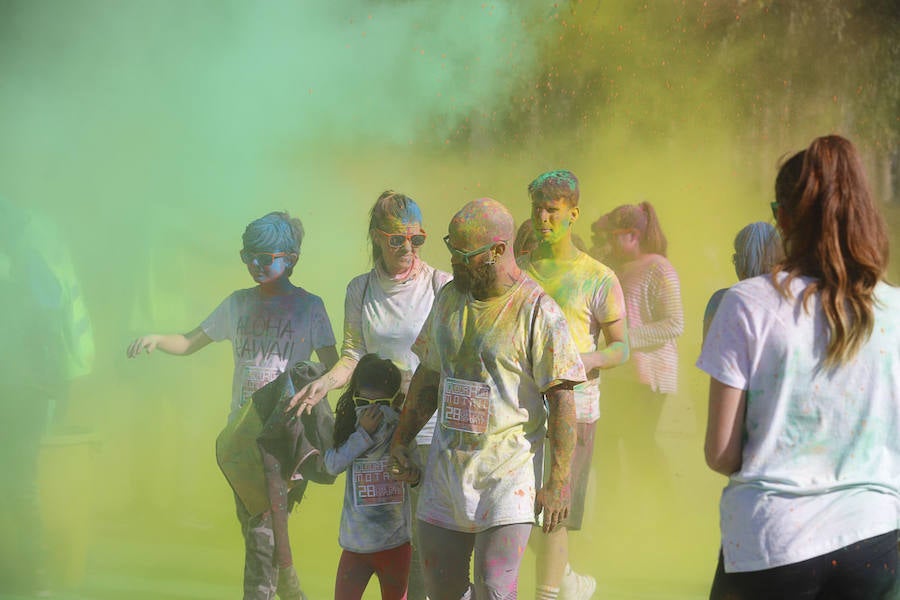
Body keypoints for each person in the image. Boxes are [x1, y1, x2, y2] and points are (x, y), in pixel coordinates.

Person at [699, 135, 900, 599]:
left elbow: (721, 453)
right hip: (875, 541)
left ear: (784, 219)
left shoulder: (746, 304)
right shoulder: (889, 309)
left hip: (771, 544)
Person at [126, 211, 338, 600]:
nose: (255, 265)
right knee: (258, 528)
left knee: (265, 531)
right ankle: (286, 593)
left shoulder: (309, 307)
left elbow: (331, 363)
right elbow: (191, 342)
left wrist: (312, 386)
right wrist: (157, 339)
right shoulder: (238, 304)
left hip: (286, 437)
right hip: (243, 436)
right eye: (248, 257)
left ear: (290, 258)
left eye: (265, 258)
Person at [388, 198, 586, 600]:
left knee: (495, 589)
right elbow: (429, 375)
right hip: (447, 472)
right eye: (451, 251)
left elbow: (563, 401)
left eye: (464, 256)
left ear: (498, 250)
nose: (454, 263)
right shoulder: (449, 299)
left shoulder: (536, 310)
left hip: (507, 477)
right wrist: (400, 440)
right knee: (442, 590)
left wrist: (559, 481)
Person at [287, 190, 450, 600]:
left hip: (429, 430)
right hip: (377, 432)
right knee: (387, 534)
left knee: (425, 538)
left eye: (417, 239)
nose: (408, 249)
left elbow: (454, 358)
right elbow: (352, 355)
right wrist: (324, 382)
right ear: (377, 237)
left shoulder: (440, 285)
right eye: (397, 239)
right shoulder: (360, 289)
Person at [520, 170, 629, 600]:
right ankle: (566, 580)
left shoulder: (598, 277)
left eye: (553, 209)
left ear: (573, 214)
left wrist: (581, 361)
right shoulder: (520, 274)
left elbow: (621, 348)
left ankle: (552, 590)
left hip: (578, 410)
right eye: (537, 209)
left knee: (555, 512)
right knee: (515, 507)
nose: (543, 218)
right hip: (523, 409)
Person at [0, 197, 95, 597]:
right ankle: (28, 576)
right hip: (28, 387)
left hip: (21, 390)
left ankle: (31, 579)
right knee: (18, 483)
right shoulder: (31, 264)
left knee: (19, 483)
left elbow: (43, 326)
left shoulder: (25, 268)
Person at [589, 201, 683, 532]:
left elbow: (674, 324)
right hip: (622, 375)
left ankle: (666, 518)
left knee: (640, 442)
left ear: (633, 235)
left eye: (614, 236)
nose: (609, 243)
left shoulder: (659, 268)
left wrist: (625, 339)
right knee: (607, 445)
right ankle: (614, 520)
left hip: (649, 376)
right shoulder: (616, 268)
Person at [324, 353, 419, 600]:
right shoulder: (350, 426)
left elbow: (420, 475)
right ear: (354, 397)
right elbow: (332, 466)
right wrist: (362, 435)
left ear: (397, 400)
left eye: (382, 405)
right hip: (355, 545)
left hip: (395, 545)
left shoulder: (404, 429)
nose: (372, 412)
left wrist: (412, 474)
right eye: (363, 402)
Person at [702, 222, 782, 341]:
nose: (735, 263)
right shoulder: (795, 300)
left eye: (737, 257)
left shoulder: (723, 300)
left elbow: (708, 354)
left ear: (747, 260)